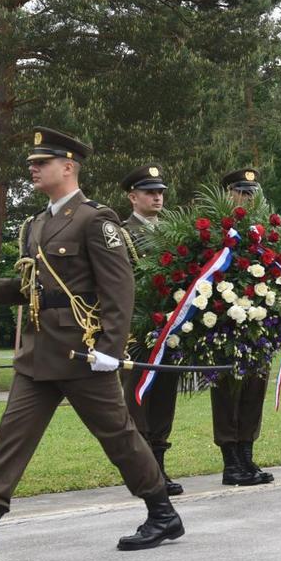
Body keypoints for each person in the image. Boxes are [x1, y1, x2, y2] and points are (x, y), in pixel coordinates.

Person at [0, 129, 182, 561]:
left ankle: (162, 512)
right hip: (39, 355)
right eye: (32, 164)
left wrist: (112, 348)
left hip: (83, 354)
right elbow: (32, 290)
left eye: (42, 162)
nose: (33, 169)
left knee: (118, 437)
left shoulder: (96, 220)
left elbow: (120, 291)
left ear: (69, 166)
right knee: (10, 440)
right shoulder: (36, 224)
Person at [119, 164, 183, 496]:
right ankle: (143, 473)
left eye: (160, 192)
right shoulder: (122, 233)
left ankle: (159, 469)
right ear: (133, 197)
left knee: (163, 397)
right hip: (138, 327)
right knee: (138, 398)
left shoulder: (171, 230)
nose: (157, 197)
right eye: (149, 192)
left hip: (169, 325)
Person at [208, 167, 274, 486]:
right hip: (224, 324)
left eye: (252, 193)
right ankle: (230, 462)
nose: (248, 198)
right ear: (228, 194)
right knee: (227, 392)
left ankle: (247, 457)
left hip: (259, 324)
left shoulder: (263, 232)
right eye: (241, 192)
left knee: (254, 390)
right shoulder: (217, 232)